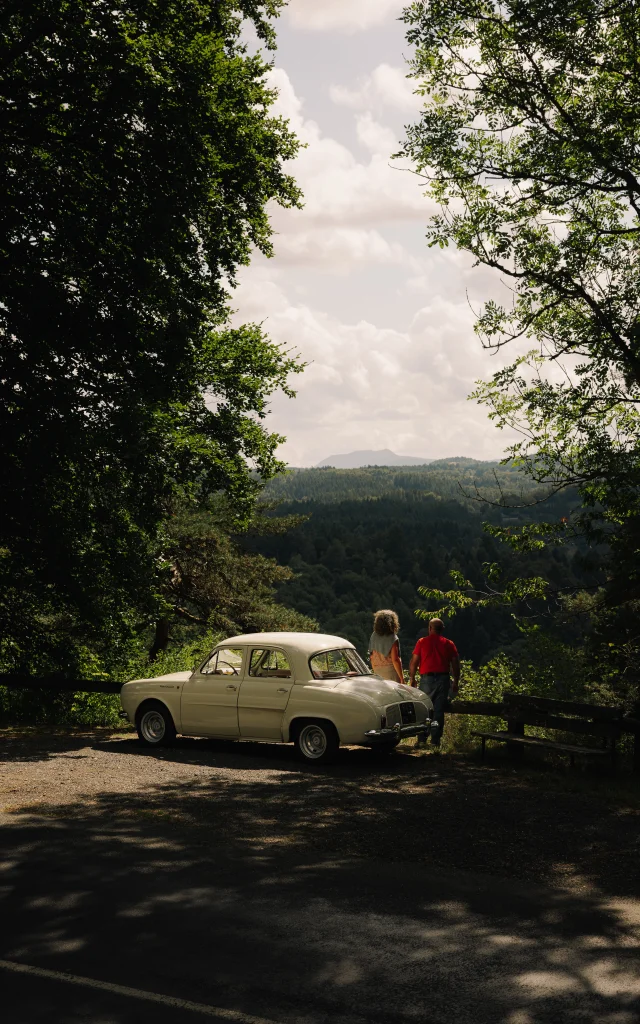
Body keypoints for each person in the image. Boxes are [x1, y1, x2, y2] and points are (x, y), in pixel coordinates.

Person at [409, 618, 460, 749]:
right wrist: (455, 681)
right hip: (443, 679)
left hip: (426, 679)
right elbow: (455, 664)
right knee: (438, 710)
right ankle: (435, 742)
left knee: (424, 708)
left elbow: (414, 661)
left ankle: (421, 739)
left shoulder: (422, 642)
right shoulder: (449, 644)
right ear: (442, 629)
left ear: (429, 628)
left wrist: (412, 678)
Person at [368, 609, 404, 684]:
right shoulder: (392, 637)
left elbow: (371, 656)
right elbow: (395, 660)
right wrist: (402, 678)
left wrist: (375, 670)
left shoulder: (373, 635)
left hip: (377, 672)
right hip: (391, 673)